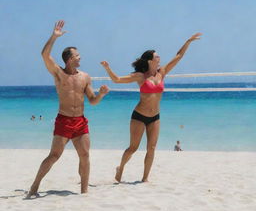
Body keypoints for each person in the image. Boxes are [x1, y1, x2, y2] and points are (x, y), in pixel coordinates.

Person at [101, 32, 201, 182]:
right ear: (149, 61)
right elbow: (116, 80)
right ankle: (120, 167)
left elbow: (178, 56)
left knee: (151, 148)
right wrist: (108, 68)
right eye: (157, 57)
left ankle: (145, 178)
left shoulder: (162, 73)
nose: (159, 59)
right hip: (139, 116)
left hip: (155, 117)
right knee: (133, 148)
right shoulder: (140, 76)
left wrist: (188, 41)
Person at [27, 20, 109, 197]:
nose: (80, 58)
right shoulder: (59, 73)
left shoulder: (85, 77)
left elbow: (92, 101)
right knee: (54, 156)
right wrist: (54, 37)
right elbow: (44, 55)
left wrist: (101, 94)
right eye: (78, 56)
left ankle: (84, 192)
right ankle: (34, 186)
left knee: (85, 156)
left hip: (80, 121)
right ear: (70, 59)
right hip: (64, 120)